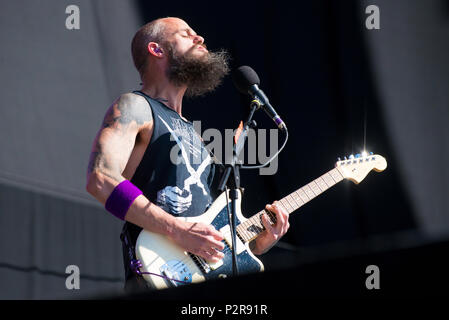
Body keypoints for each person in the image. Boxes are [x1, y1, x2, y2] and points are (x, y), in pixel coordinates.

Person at [85, 17, 290, 292]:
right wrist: (176, 230)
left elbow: (207, 232)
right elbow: (99, 179)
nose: (200, 38)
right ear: (157, 50)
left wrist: (256, 242)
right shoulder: (135, 106)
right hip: (155, 275)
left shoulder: (195, 136)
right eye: (186, 34)